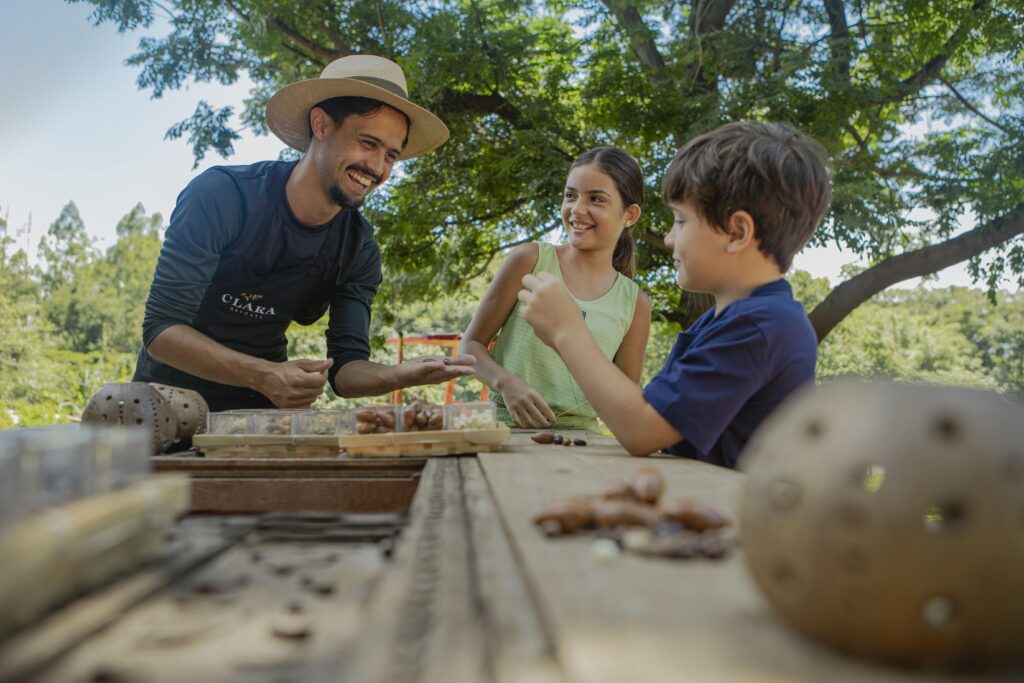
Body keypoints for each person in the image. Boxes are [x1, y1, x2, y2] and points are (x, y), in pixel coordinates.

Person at [133, 55, 475, 411]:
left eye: (391, 155)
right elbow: (161, 330)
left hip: (260, 416)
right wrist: (265, 375)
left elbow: (345, 369)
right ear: (321, 125)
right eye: (368, 143)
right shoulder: (223, 195)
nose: (376, 168)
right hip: (164, 409)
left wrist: (401, 374)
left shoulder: (358, 250)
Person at [517, 122, 832, 467]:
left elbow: (641, 429)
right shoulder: (723, 322)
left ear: (737, 232)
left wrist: (567, 331)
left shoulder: (762, 326)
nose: (668, 239)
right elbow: (647, 413)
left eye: (680, 222)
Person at [460, 147, 652, 430]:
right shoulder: (529, 260)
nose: (577, 209)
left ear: (630, 215)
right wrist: (507, 384)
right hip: (503, 433)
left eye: (596, 199)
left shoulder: (636, 304)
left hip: (583, 446)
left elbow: (624, 400)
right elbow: (470, 346)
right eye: (570, 195)